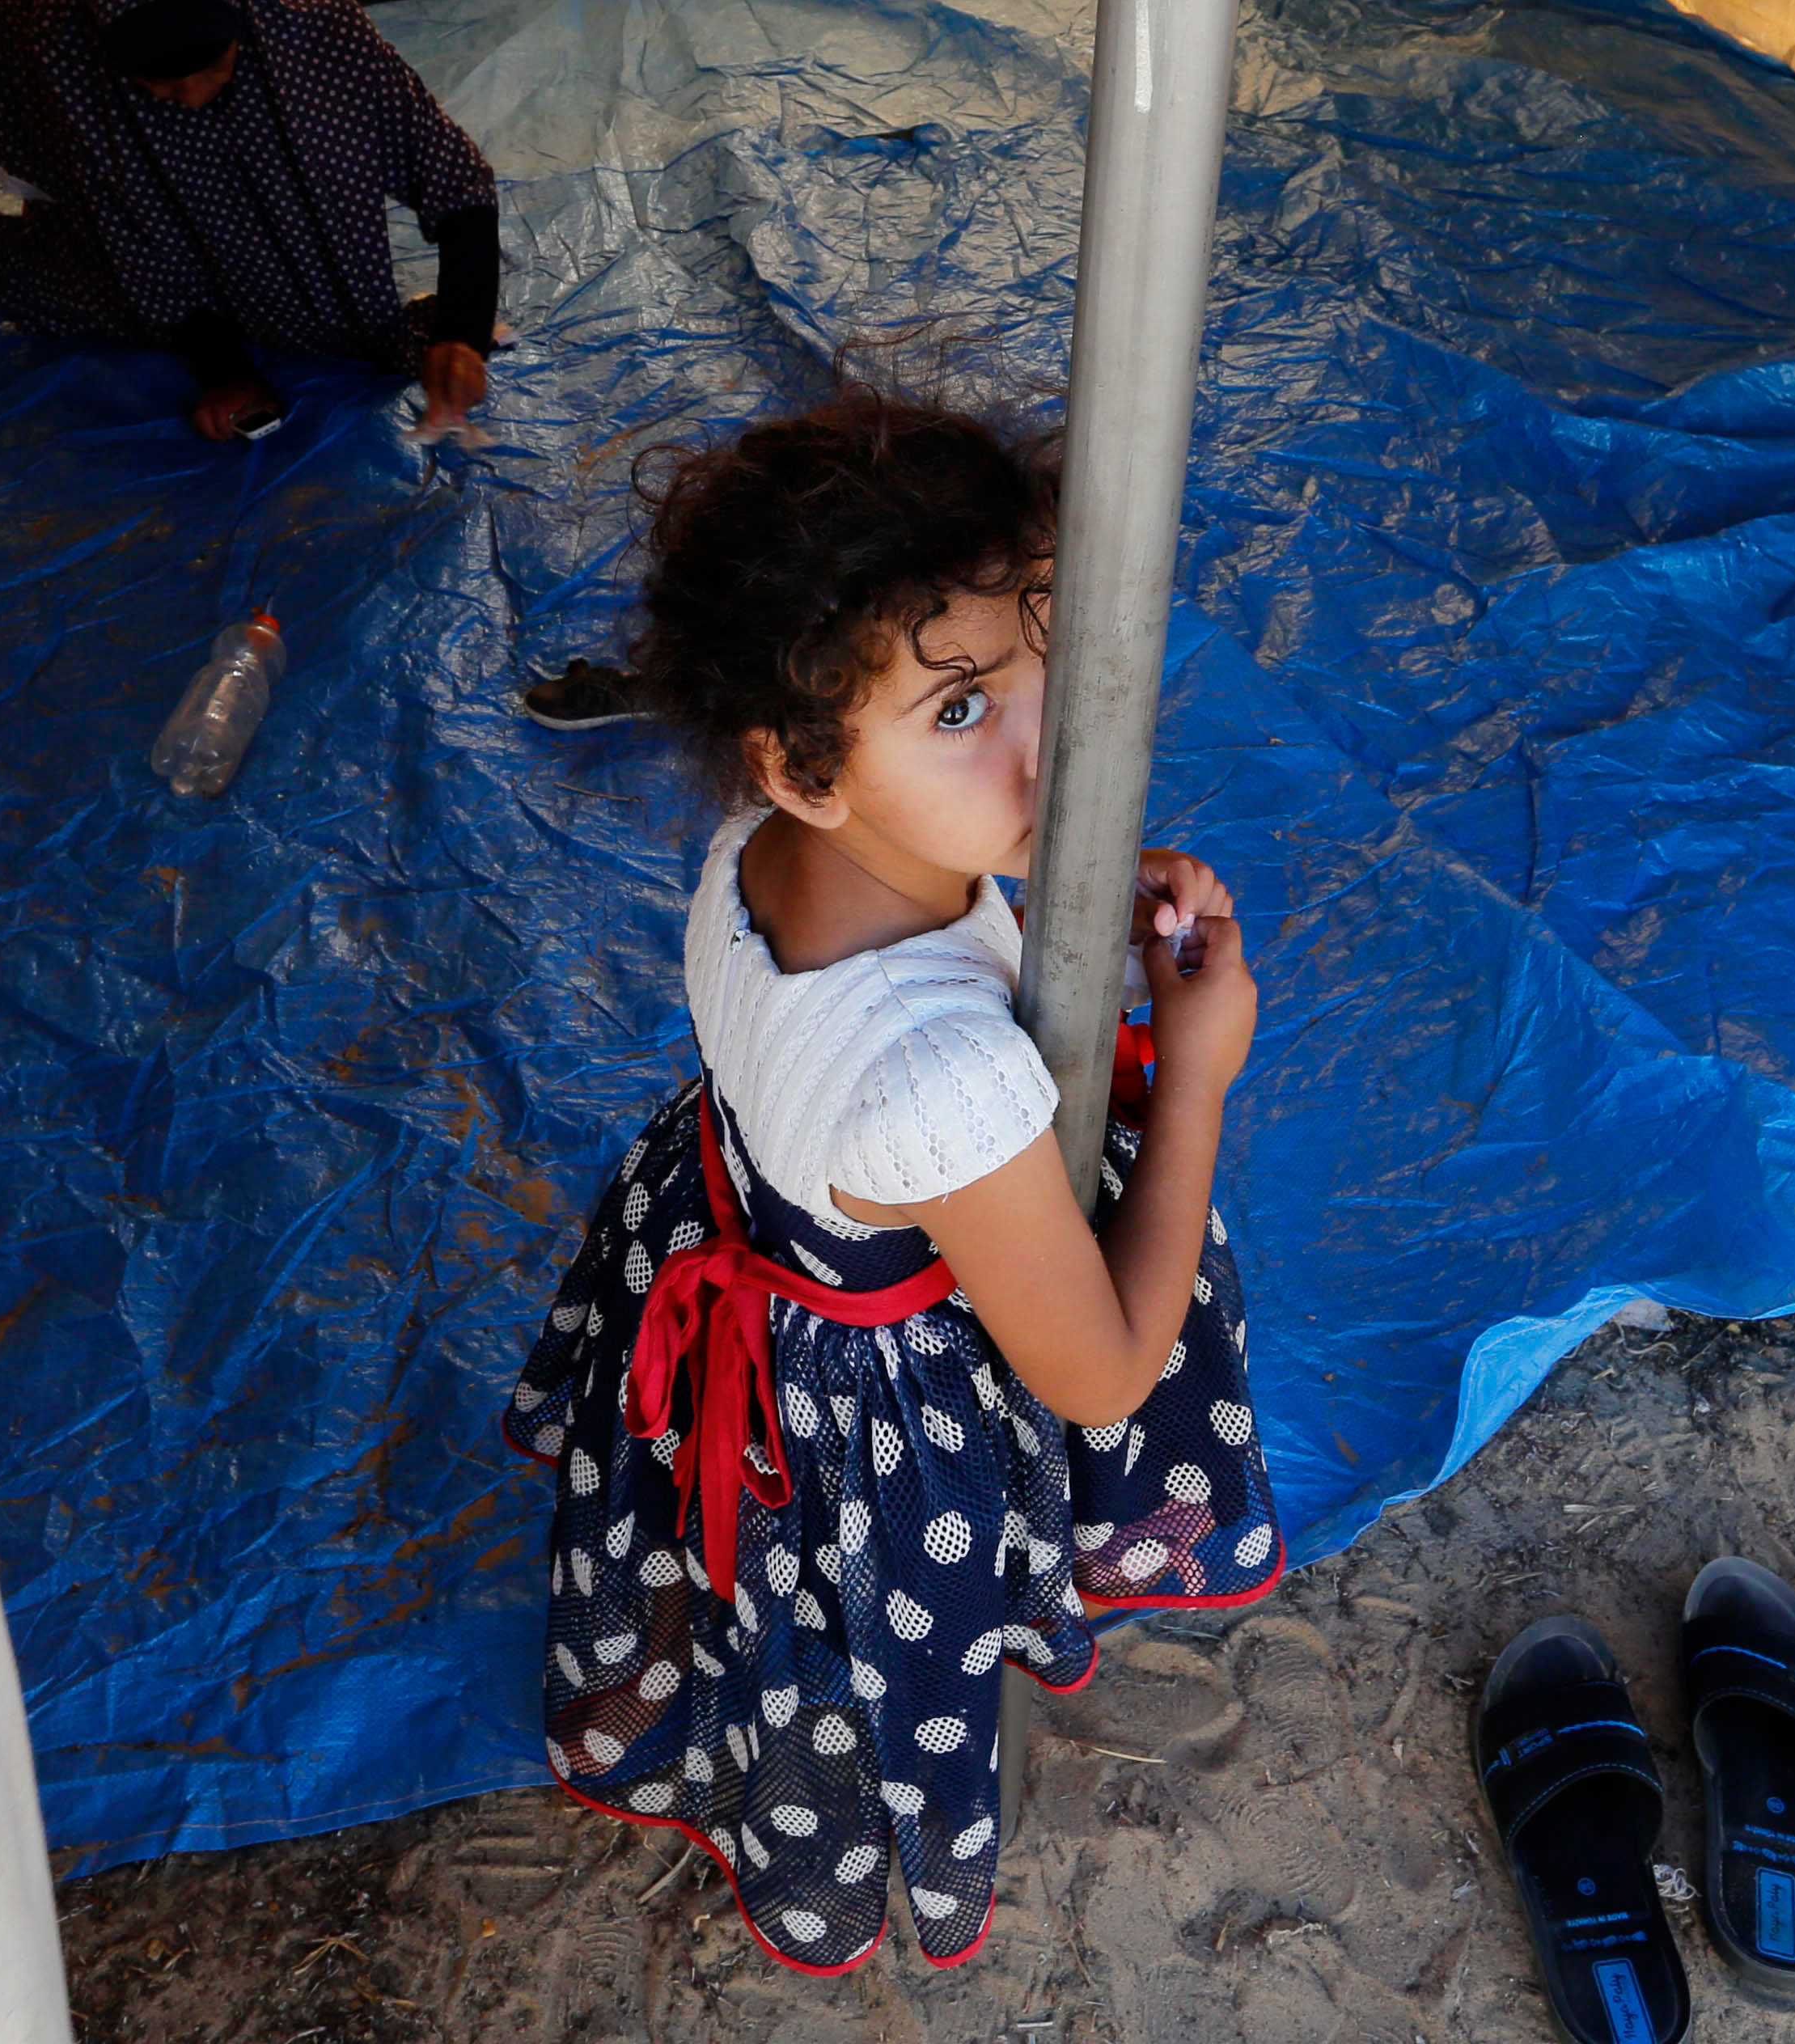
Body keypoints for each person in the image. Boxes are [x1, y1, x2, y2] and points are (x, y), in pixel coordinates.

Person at [502, 395, 1281, 1974]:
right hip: (862, 1390)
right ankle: (848, 1834)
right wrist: (1192, 1071)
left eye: (1038, 651)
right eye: (956, 711)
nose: (1044, 734)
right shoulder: (950, 1090)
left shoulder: (753, 852)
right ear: (797, 764)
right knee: (862, 1657)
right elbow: (1103, 1367)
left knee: (752, 1603)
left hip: (732, 1223)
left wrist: (1049, 890)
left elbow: (935, 908)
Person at [0, 0, 502, 441]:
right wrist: (225, 373)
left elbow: (452, 176)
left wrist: (463, 332)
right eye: (161, 82)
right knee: (102, 280)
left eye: (213, 68)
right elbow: (143, 254)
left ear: (245, 26)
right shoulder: (76, 59)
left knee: (308, 256)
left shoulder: (302, 20)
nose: (191, 97)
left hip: (185, 15)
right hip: (19, 10)